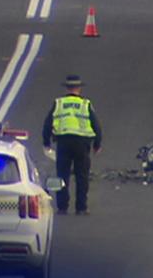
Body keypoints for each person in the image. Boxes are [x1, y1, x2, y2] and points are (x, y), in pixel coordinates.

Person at [42, 75, 102, 216]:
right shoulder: (85, 104)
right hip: (82, 144)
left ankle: (62, 207)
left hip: (63, 143)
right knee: (82, 176)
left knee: (62, 175)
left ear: (67, 88)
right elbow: (96, 125)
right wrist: (97, 144)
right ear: (79, 88)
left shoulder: (59, 103)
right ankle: (81, 208)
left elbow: (47, 124)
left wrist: (46, 143)